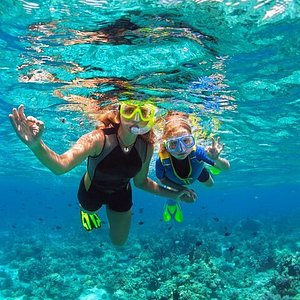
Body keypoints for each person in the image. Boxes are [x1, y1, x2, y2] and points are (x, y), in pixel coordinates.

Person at [9, 102, 196, 246]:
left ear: (149, 118)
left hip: (122, 193)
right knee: (89, 210)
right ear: (119, 114)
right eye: (129, 110)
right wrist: (36, 145)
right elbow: (61, 166)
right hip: (91, 191)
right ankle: (86, 211)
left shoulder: (146, 147)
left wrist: (175, 194)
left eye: (144, 113)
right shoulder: (98, 139)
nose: (136, 118)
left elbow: (140, 183)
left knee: (119, 242)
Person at [155, 112, 230, 223]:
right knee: (173, 194)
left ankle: (211, 164)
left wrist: (216, 159)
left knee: (210, 185)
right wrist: (183, 190)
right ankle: (171, 206)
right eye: (173, 144)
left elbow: (226, 168)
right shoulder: (161, 161)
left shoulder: (198, 152)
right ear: (166, 145)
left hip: (197, 171)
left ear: (193, 140)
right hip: (175, 182)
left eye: (186, 141)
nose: (181, 149)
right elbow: (162, 180)